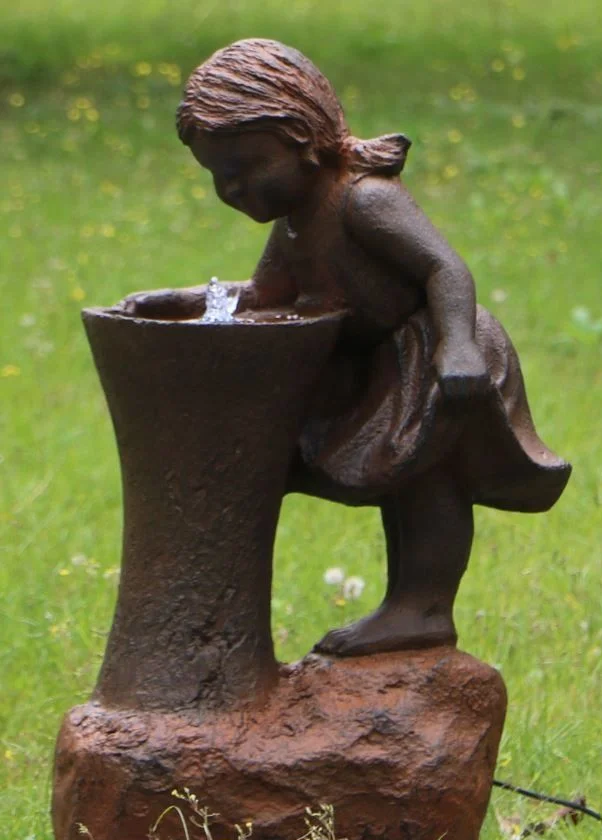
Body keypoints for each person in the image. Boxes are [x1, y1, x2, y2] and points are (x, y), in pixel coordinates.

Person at [118, 39, 571, 656]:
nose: (233, 189)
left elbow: (445, 269)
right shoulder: (296, 220)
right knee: (393, 472)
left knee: (429, 478)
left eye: (245, 168)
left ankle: (422, 606)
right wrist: (178, 299)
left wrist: (458, 347)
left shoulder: (364, 199)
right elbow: (264, 294)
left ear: (303, 138)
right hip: (372, 363)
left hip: (429, 353)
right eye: (219, 177)